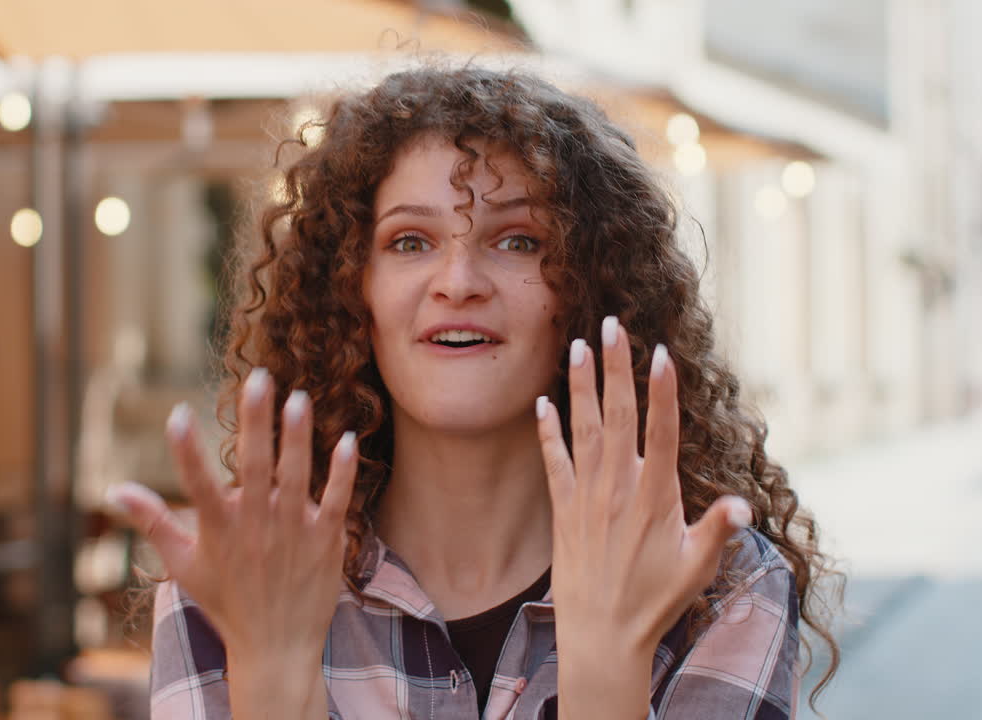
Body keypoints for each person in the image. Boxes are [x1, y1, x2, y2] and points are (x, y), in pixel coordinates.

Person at [106, 66, 840, 719]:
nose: (457, 282)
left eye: (518, 240)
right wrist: (272, 682)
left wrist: (608, 666)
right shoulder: (242, 575)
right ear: (351, 292)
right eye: (409, 242)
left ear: (589, 289)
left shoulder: (716, 583)